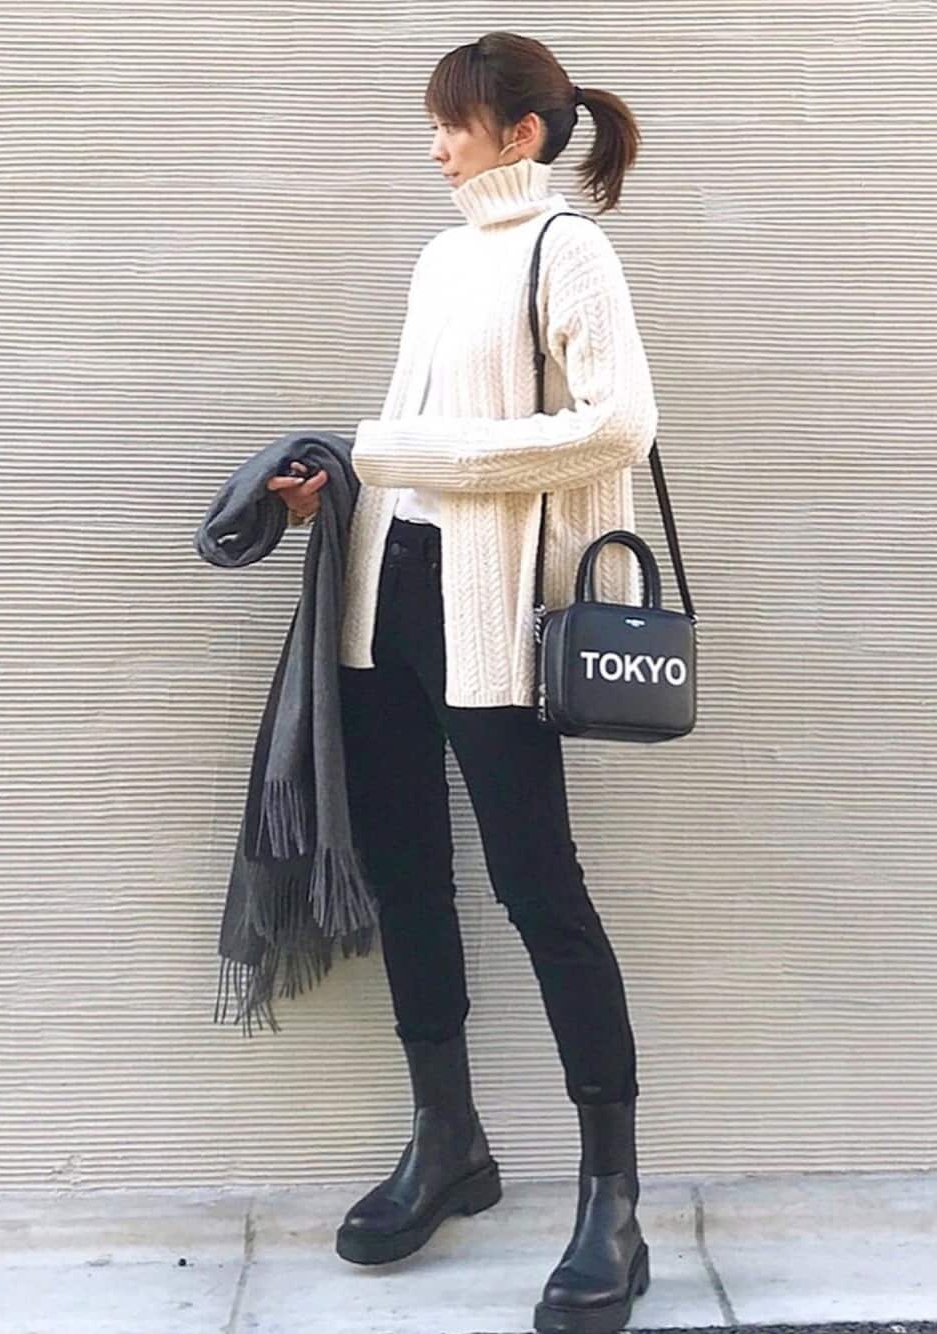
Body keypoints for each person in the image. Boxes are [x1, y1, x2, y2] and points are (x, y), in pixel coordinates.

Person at [267, 31, 657, 1334]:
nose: (436, 146)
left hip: (492, 611)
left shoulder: (570, 249)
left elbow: (619, 423)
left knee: (538, 885)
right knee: (406, 875)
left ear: (520, 134)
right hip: (388, 601)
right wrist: (348, 478)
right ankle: (449, 1140)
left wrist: (415, 455)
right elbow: (410, 440)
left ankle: (613, 1200)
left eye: (453, 124)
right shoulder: (442, 259)